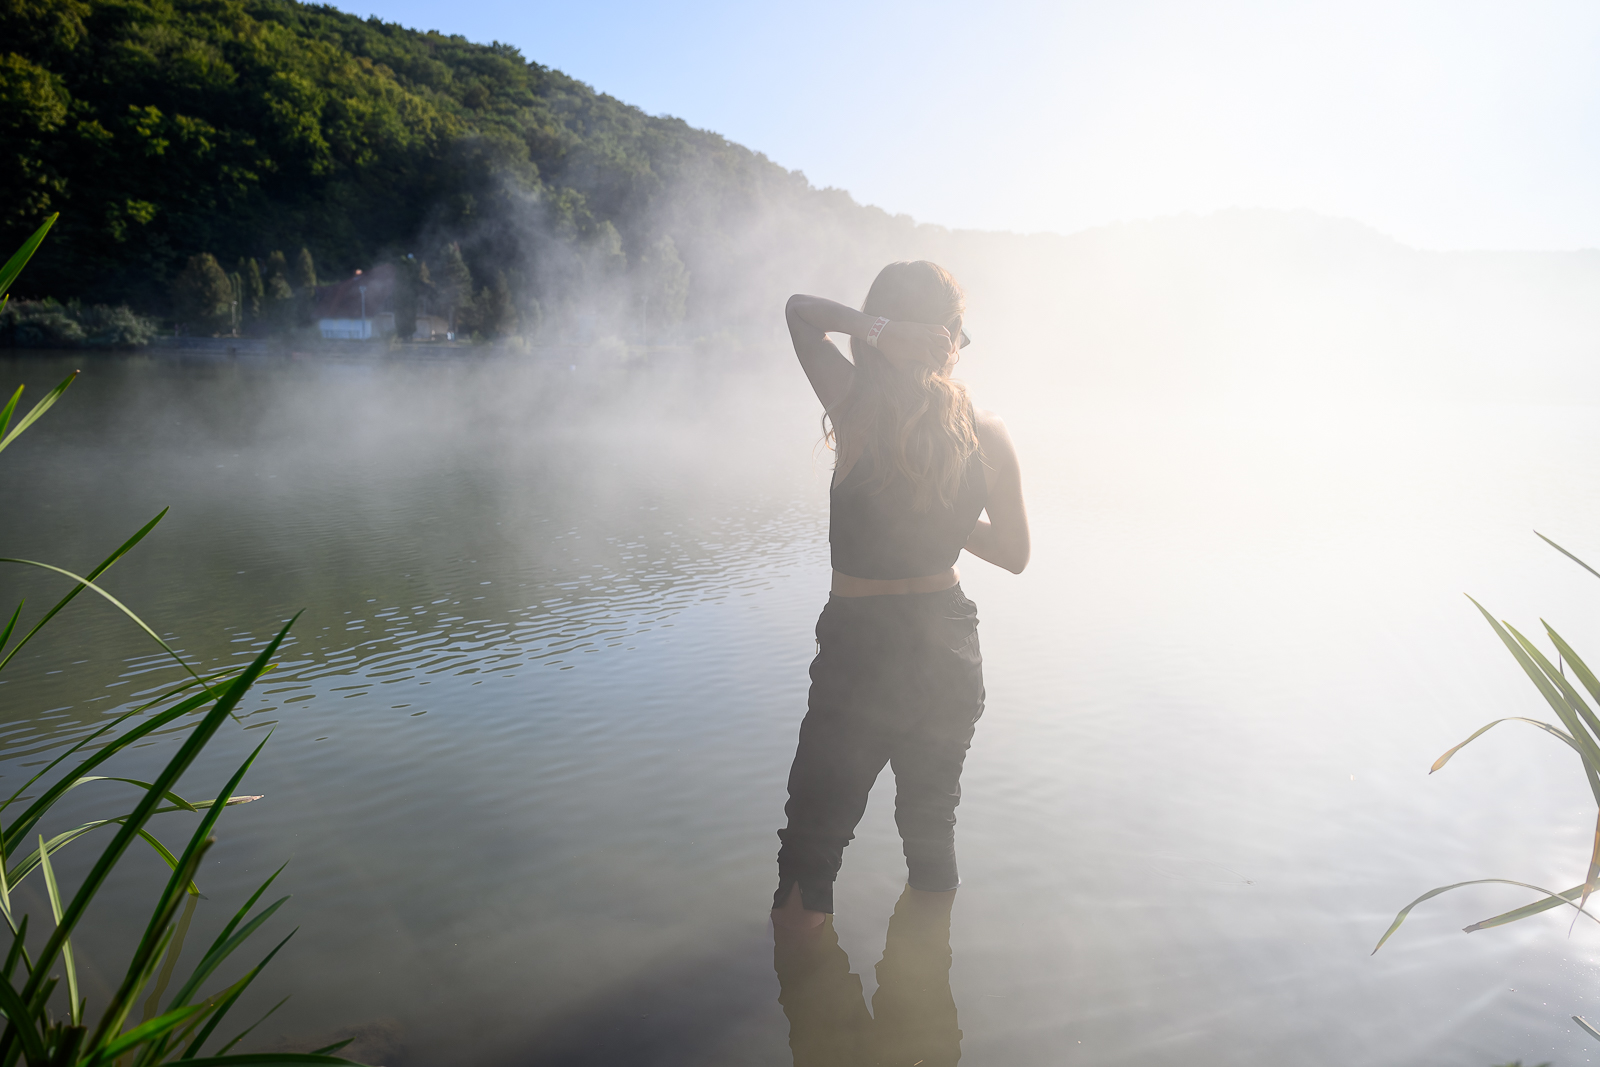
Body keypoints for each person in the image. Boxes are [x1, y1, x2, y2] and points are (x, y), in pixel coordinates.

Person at [773, 261, 1030, 931]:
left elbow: (800, 313)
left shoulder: (855, 405)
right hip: (948, 647)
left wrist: (874, 329)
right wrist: (943, 515)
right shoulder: (988, 430)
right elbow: (1014, 555)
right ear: (947, 334)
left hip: (863, 648)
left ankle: (800, 988)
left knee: (810, 855)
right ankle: (928, 986)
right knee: (930, 830)